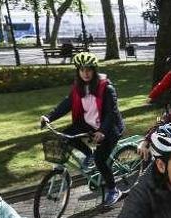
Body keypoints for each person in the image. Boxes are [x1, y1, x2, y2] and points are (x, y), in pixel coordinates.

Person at [41, 52, 126, 206]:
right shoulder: (78, 87)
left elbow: (111, 113)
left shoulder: (107, 88)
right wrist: (49, 117)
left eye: (89, 69)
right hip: (89, 124)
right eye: (81, 70)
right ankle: (88, 154)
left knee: (101, 160)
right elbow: (66, 104)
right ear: (78, 71)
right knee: (66, 136)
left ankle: (114, 190)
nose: (85, 73)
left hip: (109, 128)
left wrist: (102, 132)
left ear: (94, 70)